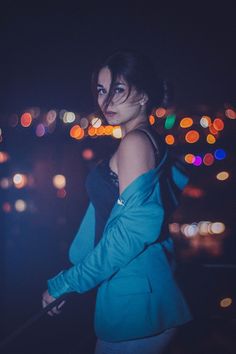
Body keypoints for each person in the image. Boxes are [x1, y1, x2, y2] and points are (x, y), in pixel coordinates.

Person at [42, 50, 193, 354]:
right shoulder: (147, 138)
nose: (106, 100)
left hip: (136, 300)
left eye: (118, 89)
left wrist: (66, 283)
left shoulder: (135, 142)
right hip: (139, 294)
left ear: (145, 94)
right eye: (101, 90)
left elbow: (133, 231)